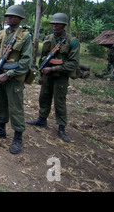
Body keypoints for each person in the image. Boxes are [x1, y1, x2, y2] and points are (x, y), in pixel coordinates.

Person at [0, 5, 32, 154]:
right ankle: (0, 130)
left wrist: (9, 74)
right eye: (7, 16)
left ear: (19, 18)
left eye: (12, 16)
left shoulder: (25, 37)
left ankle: (17, 138)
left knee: (16, 108)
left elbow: (26, 61)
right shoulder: (3, 33)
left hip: (13, 79)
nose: (8, 18)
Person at [27, 13, 80, 143]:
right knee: (44, 97)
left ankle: (61, 127)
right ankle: (41, 119)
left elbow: (73, 63)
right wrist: (41, 74)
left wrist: (53, 68)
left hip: (60, 76)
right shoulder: (48, 38)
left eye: (57, 24)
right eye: (53, 24)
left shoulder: (72, 41)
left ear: (63, 25)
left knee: (59, 101)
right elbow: (43, 58)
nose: (54, 26)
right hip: (47, 75)